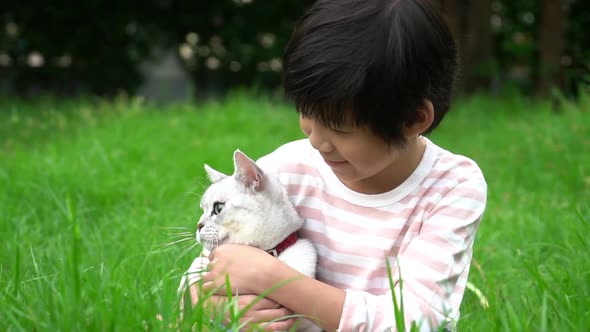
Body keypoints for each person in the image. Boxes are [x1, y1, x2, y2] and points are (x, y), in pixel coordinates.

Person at [189, 0, 487, 330]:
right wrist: (214, 307)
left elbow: (417, 320)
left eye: (340, 128)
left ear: (414, 118)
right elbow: (200, 278)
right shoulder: (288, 169)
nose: (316, 140)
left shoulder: (451, 187)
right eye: (306, 113)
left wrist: (273, 277)